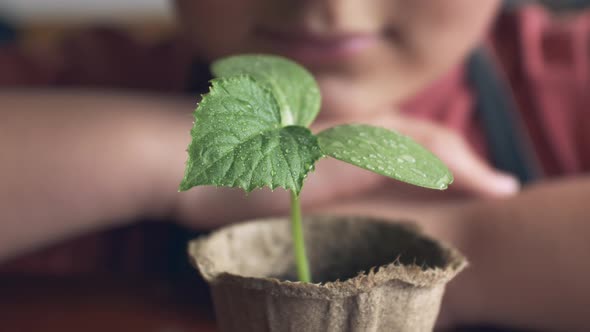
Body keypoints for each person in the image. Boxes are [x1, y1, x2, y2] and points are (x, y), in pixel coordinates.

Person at [1, 0, 589, 330]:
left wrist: (440, 243)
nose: (328, 7)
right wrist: (168, 155)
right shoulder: (87, 82)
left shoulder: (565, 78)